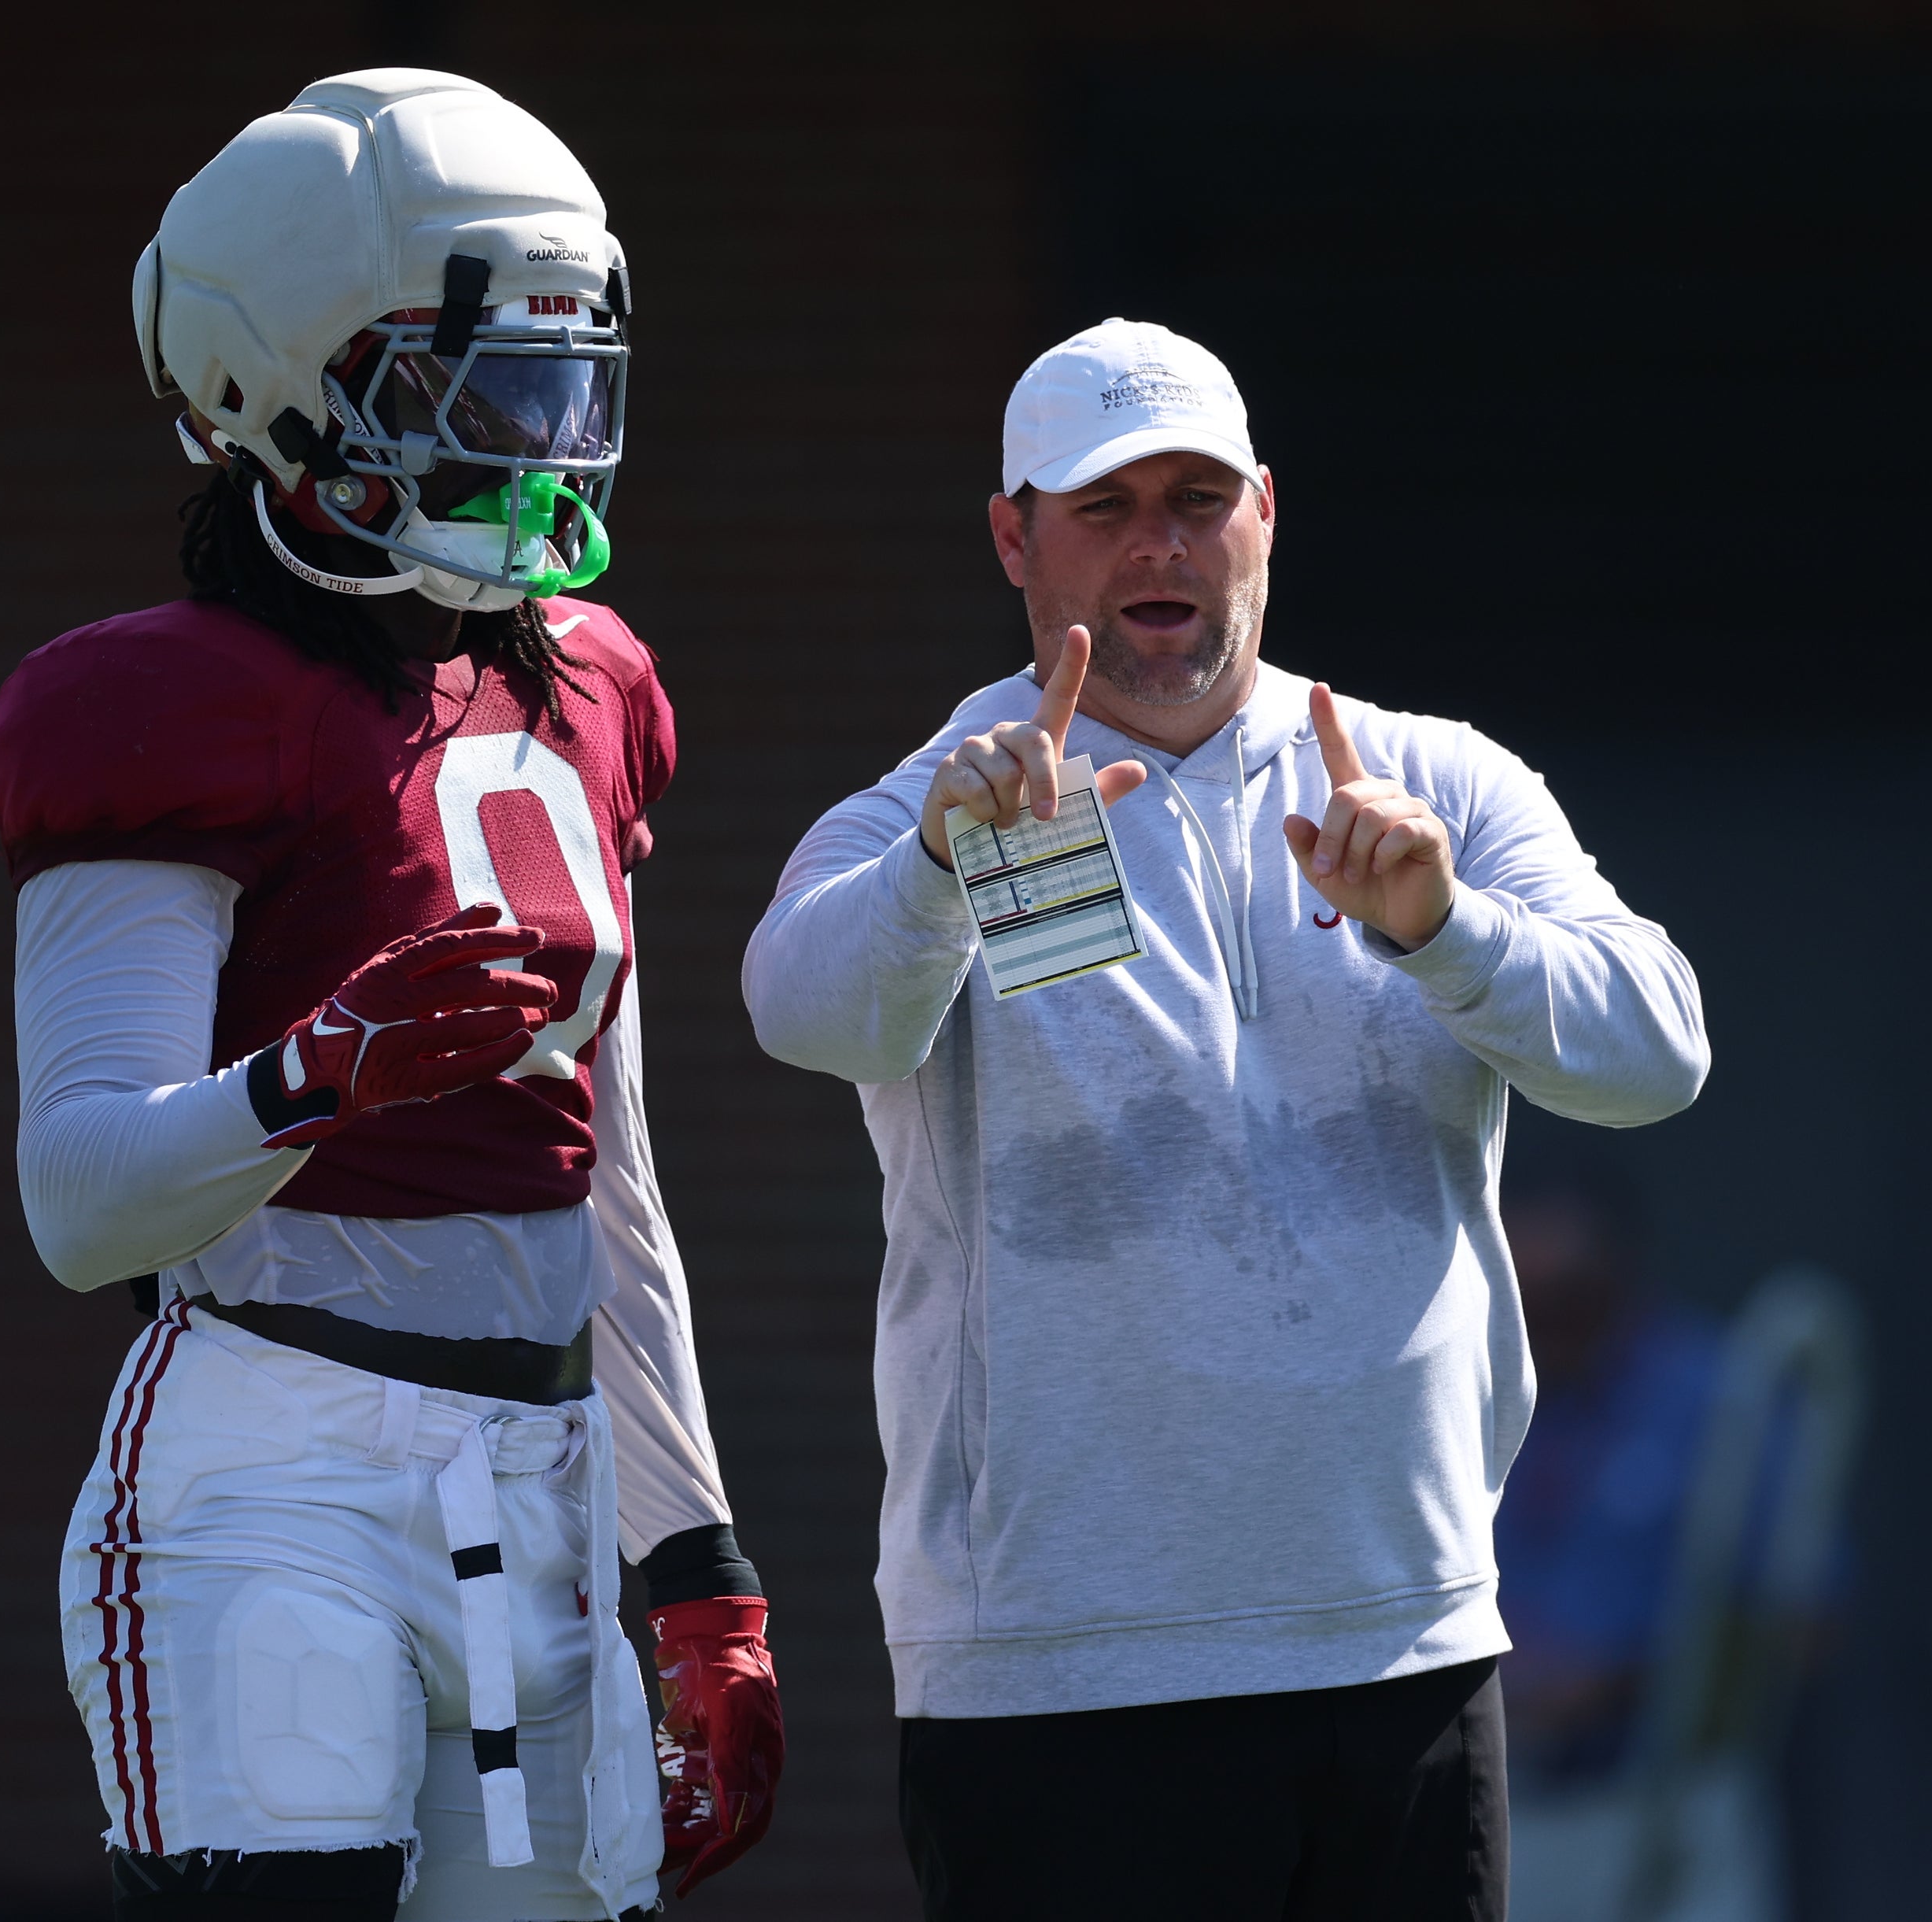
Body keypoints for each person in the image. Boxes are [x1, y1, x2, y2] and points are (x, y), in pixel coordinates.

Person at [742, 319, 1709, 1920]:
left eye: (1197, 498)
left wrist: (1446, 929)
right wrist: (944, 872)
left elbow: (1656, 1049)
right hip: (1058, 1672)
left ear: (1266, 510)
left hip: (1400, 1638)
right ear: (1012, 536)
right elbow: (805, 1008)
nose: (1159, 545)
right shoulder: (946, 798)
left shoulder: (1430, 784)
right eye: (1105, 508)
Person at [0, 71, 780, 1921]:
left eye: (568, 380)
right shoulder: (166, 701)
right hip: (276, 1460)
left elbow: (619, 1189)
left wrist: (700, 1562)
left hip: (545, 1470)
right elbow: (80, 1194)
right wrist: (313, 1072)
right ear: (282, 388)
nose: (541, 438)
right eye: (477, 382)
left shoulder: (589, 686)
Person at [1491, 1162, 1719, 1787]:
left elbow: (1801, 1617)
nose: (1545, 1325)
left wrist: (1615, 1681)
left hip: (1661, 1796)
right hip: (1479, 1786)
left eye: (1569, 1300)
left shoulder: (1713, 1397)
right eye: (1523, 1300)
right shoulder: (1465, 1393)